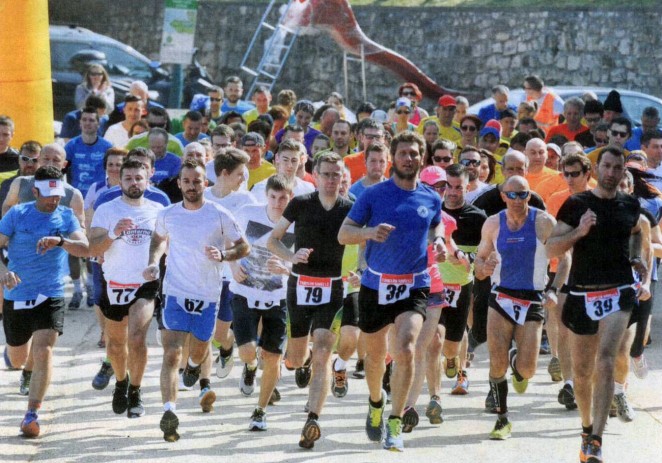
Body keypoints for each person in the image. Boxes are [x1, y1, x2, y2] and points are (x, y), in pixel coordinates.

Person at [338, 131, 446, 452]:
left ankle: (396, 420)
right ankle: (376, 402)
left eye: (414, 153)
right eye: (403, 153)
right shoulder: (373, 195)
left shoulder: (431, 197)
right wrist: (370, 232)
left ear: (421, 157)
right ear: (393, 158)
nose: (409, 158)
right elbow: (345, 234)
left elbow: (437, 224)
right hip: (375, 284)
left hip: (414, 283)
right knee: (374, 358)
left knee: (406, 347)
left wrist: (438, 240)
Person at [546, 145, 645, 462]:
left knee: (606, 359)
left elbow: (638, 232)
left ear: (622, 172)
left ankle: (597, 440)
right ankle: (587, 430)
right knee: (584, 372)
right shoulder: (576, 204)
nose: (612, 172)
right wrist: (580, 230)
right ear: (596, 169)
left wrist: (638, 260)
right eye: (607, 166)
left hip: (618, 292)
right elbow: (551, 248)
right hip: (582, 293)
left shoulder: (630, 204)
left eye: (618, 168)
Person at [143, 158, 250, 442]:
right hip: (176, 291)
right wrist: (154, 261)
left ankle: (194, 368)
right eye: (186, 181)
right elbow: (158, 239)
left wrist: (225, 256)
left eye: (197, 181)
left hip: (208, 293)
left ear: (206, 183)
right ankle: (169, 411)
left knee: (200, 349)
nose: (191, 186)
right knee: (171, 353)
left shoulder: (219, 214)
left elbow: (244, 246)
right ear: (179, 183)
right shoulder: (167, 214)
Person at [268, 152, 353, 449]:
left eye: (337, 174)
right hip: (300, 285)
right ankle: (297, 364)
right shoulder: (301, 204)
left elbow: (364, 244)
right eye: (326, 174)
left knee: (323, 354)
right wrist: (291, 257)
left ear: (343, 176)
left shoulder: (350, 208)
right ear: (315, 176)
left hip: (333, 287)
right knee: (294, 358)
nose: (332, 180)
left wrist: (358, 272)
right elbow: (273, 240)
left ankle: (313, 418)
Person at [0, 166, 88, 437]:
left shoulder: (66, 215)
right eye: (47, 195)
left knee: (44, 350)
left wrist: (61, 241)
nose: (53, 200)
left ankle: (32, 414)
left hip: (50, 293)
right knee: (18, 358)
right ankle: (18, 361)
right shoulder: (17, 214)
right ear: (35, 191)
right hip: (17, 294)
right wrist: (4, 272)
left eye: (57, 195)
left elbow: (85, 248)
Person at [474, 175, 556, 440]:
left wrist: (553, 288)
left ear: (529, 196)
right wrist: (483, 269)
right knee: (496, 364)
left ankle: (515, 360)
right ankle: (502, 419)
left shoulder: (543, 222)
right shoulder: (493, 223)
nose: (518, 200)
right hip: (501, 297)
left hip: (532, 298)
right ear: (503, 196)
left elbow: (563, 259)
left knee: (528, 370)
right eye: (512, 195)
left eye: (523, 194)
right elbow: (479, 264)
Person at [89, 159, 163, 418]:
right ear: (120, 181)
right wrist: (113, 233)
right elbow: (94, 248)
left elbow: (164, 241)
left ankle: (136, 390)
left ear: (147, 180)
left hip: (144, 283)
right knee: (116, 345)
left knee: (137, 339)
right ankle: (121, 382)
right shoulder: (106, 209)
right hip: (114, 282)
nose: (134, 183)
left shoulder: (158, 209)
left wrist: (155, 262)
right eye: (128, 178)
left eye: (138, 178)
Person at [229, 174, 295, 430]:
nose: (278, 203)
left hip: (277, 299)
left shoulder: (296, 226)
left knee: (273, 358)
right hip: (245, 291)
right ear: (266, 196)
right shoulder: (247, 213)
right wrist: (233, 266)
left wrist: (286, 269)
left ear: (290, 199)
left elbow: (301, 264)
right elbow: (229, 242)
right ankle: (250, 366)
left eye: (283, 198)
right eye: (273, 197)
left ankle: (260, 411)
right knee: (247, 352)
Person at [204, 148, 258, 379]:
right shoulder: (203, 196)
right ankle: (226, 350)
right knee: (212, 333)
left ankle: (237, 353)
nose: (244, 179)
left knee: (221, 329)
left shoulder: (246, 199)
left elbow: (256, 235)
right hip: (205, 273)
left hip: (234, 276)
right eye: (239, 174)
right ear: (224, 173)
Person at [440, 164, 487, 395]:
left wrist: (466, 257)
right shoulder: (433, 211)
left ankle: (460, 371)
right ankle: (434, 390)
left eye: (458, 187)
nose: (452, 191)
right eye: (448, 186)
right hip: (433, 283)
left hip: (462, 283)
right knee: (434, 332)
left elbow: (487, 250)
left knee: (458, 334)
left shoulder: (477, 217)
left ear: (467, 187)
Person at [64, 106, 114, 198]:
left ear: (98, 124)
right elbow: (61, 171)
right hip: (76, 196)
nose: (87, 123)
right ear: (80, 123)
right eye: (84, 119)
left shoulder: (107, 147)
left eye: (91, 120)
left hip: (99, 196)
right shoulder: (71, 146)